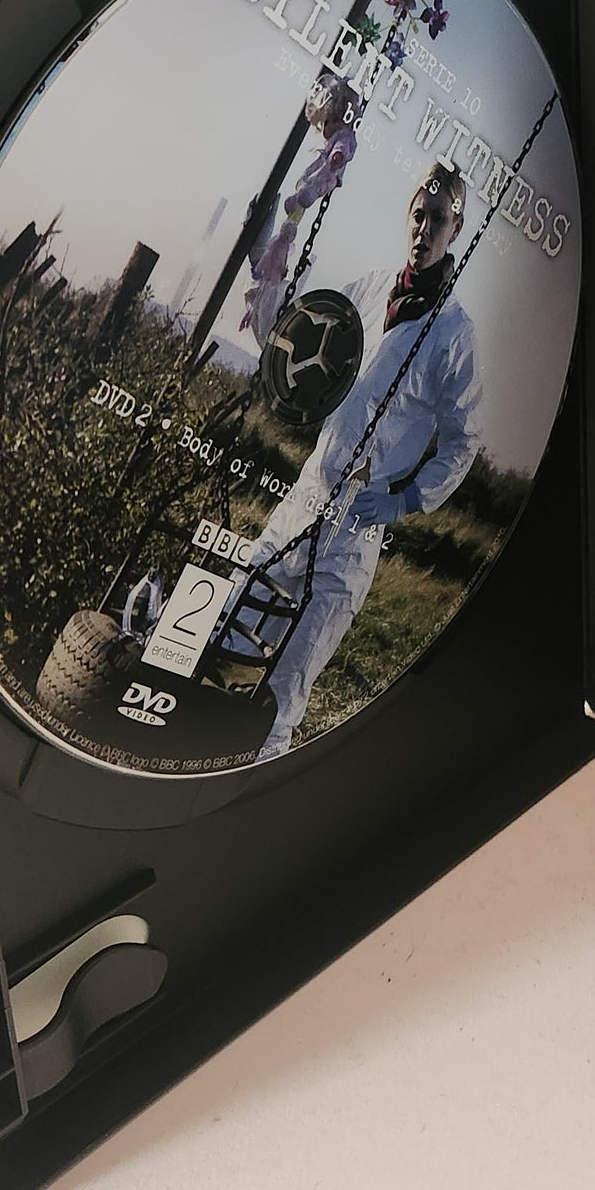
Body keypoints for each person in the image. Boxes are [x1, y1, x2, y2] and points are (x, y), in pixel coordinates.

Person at [225, 161, 481, 757]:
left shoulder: (454, 335)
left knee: (286, 687)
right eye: (418, 215)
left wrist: (405, 500)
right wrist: (269, 260)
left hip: (356, 527)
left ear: (456, 228)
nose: (424, 229)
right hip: (306, 495)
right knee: (229, 627)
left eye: (438, 219)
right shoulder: (367, 291)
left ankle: (256, 774)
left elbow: (463, 441)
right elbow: (291, 342)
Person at [240, 70, 363, 346]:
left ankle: (268, 245)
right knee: (290, 218)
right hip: (312, 186)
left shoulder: (343, 140)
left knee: (297, 207)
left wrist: (336, 158)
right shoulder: (335, 140)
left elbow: (342, 150)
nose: (325, 130)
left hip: (317, 184)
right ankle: (270, 244)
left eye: (328, 122)